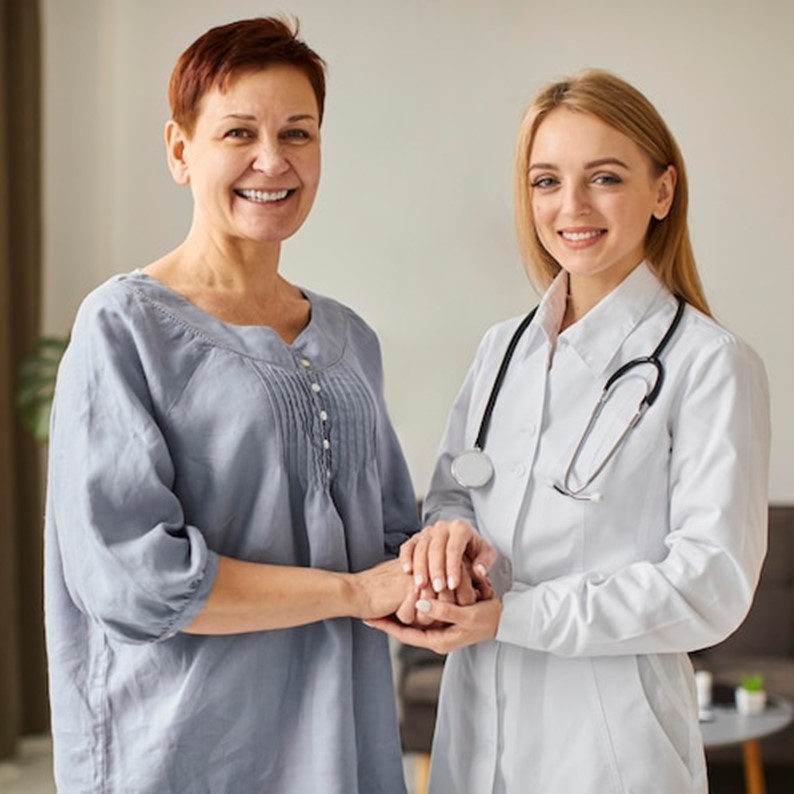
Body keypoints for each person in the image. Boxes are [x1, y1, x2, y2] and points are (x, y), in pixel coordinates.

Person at [44, 17, 428, 793]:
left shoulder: (350, 340)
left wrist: (442, 564)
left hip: (339, 754)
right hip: (183, 755)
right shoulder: (125, 326)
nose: (272, 160)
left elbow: (394, 539)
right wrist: (352, 593)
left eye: (298, 133)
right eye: (238, 132)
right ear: (181, 151)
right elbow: (135, 579)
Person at [368, 69, 771, 793]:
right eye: (546, 181)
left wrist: (512, 617)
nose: (571, 206)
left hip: (610, 754)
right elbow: (455, 496)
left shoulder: (710, 363)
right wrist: (449, 544)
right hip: (475, 738)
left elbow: (710, 586)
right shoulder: (502, 349)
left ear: (663, 192)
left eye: (605, 177)